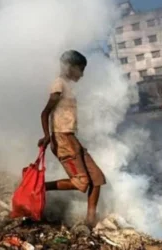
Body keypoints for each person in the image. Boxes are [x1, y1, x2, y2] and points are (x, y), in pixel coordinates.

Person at [38, 50, 106, 227]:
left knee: (97, 178)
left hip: (71, 137)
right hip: (62, 139)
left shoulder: (67, 87)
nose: (82, 74)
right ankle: (39, 187)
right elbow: (45, 113)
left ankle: (90, 220)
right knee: (81, 183)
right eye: (80, 69)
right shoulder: (58, 85)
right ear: (70, 67)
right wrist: (48, 136)